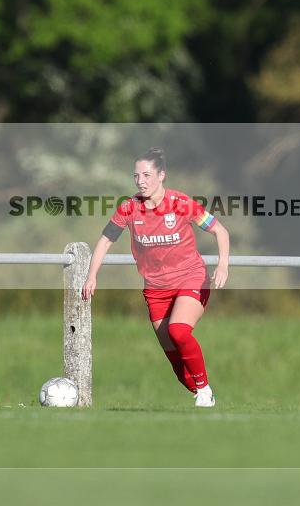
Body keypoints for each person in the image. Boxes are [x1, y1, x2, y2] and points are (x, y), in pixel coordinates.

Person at [82, 148, 230, 407]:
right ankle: (203, 394)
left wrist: (223, 265)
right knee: (173, 357)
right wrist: (92, 275)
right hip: (156, 288)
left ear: (162, 175)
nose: (140, 181)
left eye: (147, 175)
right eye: (136, 175)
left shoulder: (181, 203)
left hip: (190, 277)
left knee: (179, 331)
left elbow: (220, 231)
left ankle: (204, 389)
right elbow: (105, 240)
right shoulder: (129, 208)